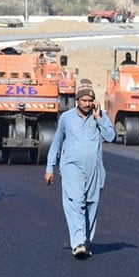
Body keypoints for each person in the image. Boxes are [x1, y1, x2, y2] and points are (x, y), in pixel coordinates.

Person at [44, 79, 116, 259]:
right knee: (76, 201)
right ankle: (77, 243)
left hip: (94, 168)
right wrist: (49, 167)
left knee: (92, 204)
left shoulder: (100, 115)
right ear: (77, 100)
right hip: (70, 167)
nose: (87, 104)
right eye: (84, 100)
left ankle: (85, 241)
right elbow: (57, 143)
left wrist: (99, 119)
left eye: (90, 101)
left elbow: (111, 136)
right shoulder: (66, 118)